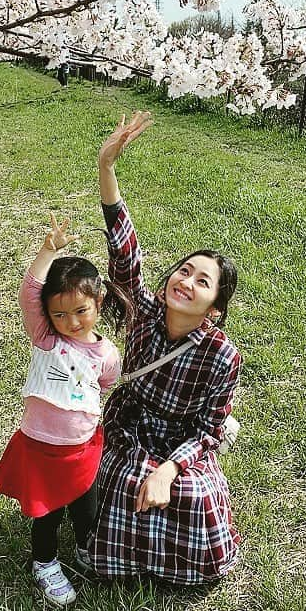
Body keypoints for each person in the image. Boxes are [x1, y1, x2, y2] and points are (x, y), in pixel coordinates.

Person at [87, 111, 242, 585]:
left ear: (214, 309)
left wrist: (170, 470)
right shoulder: (145, 312)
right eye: (183, 270)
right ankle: (119, 559)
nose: (187, 281)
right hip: (132, 421)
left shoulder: (221, 353)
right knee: (121, 481)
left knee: (193, 497)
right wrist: (106, 168)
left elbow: (208, 430)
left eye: (203, 281)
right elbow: (125, 256)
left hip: (181, 439)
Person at [0, 213, 133, 605]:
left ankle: (88, 548)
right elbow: (29, 292)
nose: (70, 322)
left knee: (87, 507)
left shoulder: (107, 352)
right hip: (41, 448)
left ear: (98, 302)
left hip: (82, 448)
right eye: (59, 314)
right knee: (47, 513)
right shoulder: (46, 339)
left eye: (80, 312)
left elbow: (105, 385)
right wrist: (47, 251)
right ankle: (45, 562)